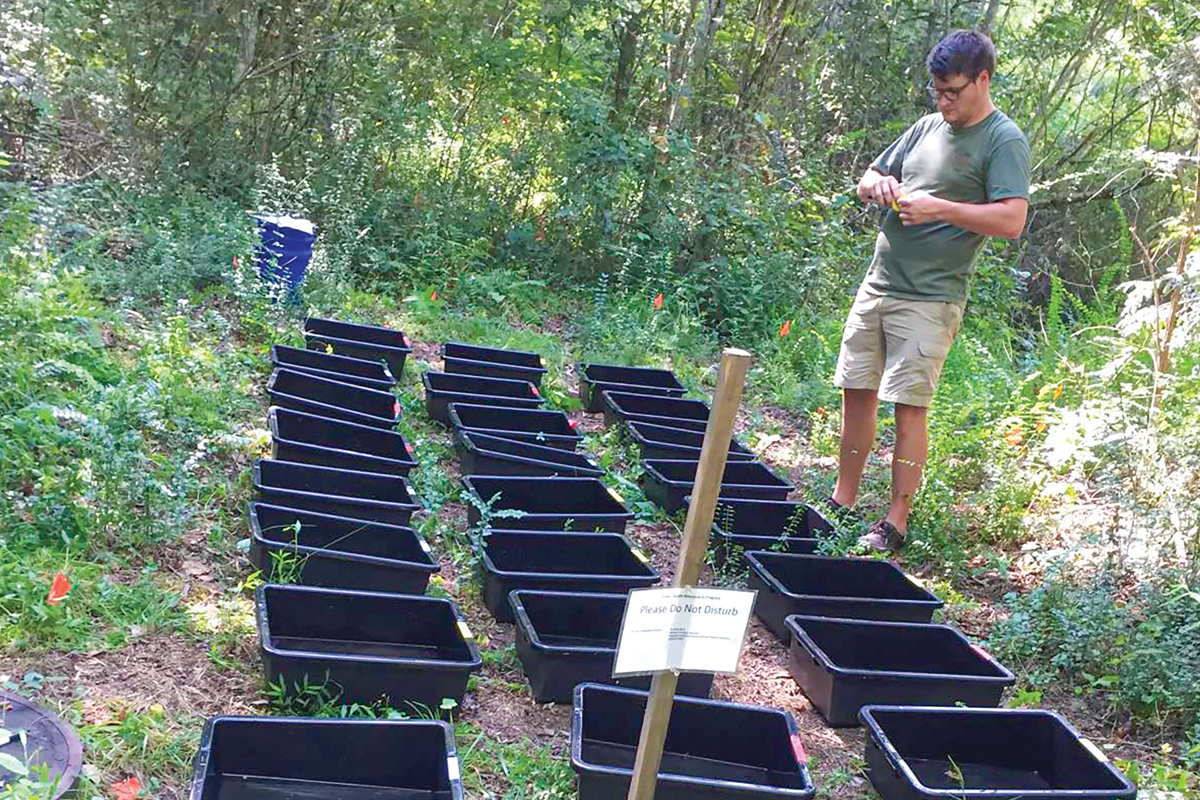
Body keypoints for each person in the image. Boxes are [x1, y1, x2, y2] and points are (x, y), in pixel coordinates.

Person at [829, 29, 1031, 551]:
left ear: (982, 79)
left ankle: (894, 523)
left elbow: (1011, 219)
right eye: (936, 92)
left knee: (908, 405)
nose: (943, 102)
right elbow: (871, 175)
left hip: (932, 296)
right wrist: (877, 184)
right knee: (856, 390)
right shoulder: (925, 127)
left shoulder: (1003, 140)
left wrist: (937, 207)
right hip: (879, 283)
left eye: (953, 92)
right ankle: (840, 502)